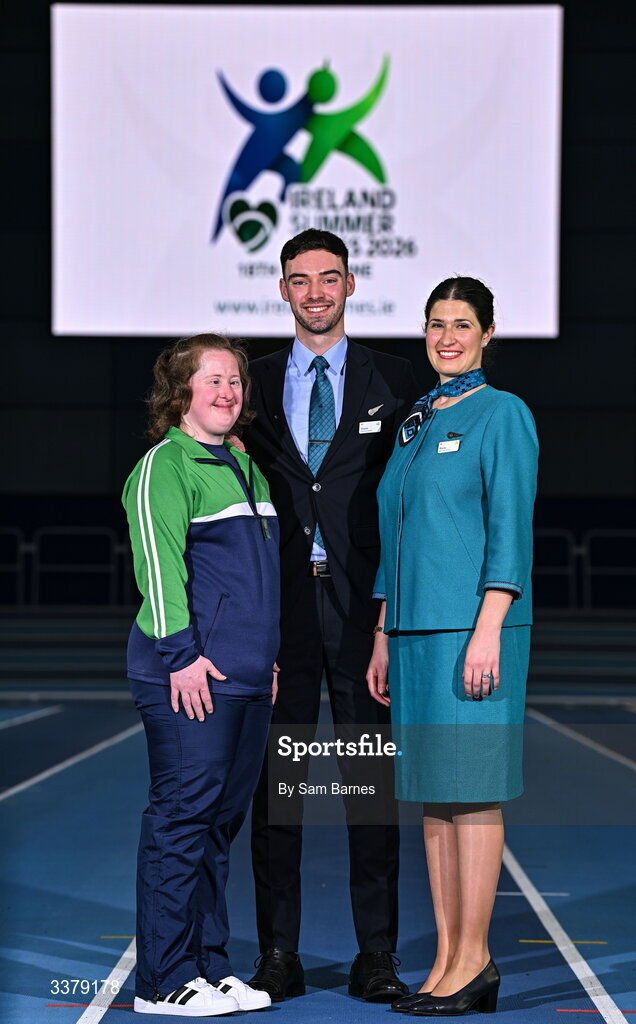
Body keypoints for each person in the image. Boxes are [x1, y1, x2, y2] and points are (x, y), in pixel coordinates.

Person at [243, 228, 420, 1003]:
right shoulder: (246, 386)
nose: (315, 292)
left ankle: (375, 956)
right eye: (300, 280)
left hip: (361, 620)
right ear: (282, 289)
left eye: (329, 278)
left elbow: (409, 509)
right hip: (278, 623)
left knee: (370, 794)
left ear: (351, 285)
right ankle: (277, 953)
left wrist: (390, 621)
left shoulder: (399, 382)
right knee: (277, 794)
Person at [367, 276, 539, 1017]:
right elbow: (392, 533)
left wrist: (489, 628)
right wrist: (380, 631)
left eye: (462, 324)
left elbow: (511, 528)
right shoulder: (414, 419)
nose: (447, 336)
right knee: (435, 800)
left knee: (472, 794)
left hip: (471, 631)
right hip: (410, 633)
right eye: (436, 323)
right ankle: (446, 957)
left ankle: (476, 960)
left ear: (488, 334)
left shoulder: (503, 414)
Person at [122, 333, 280, 1016]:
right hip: (190, 676)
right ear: (180, 392)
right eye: (211, 380)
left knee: (217, 827)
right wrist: (182, 656)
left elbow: (256, 581)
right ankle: (163, 980)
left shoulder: (245, 467)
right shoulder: (166, 464)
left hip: (245, 678)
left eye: (234, 382)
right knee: (182, 823)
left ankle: (208, 967)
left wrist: (265, 658)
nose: (226, 392)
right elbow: (159, 568)